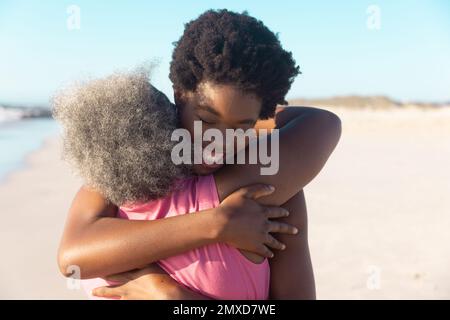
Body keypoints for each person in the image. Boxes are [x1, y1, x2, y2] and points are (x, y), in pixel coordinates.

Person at [57, 9, 341, 299]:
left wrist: (175, 298)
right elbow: (71, 258)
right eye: (207, 120)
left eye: (242, 126)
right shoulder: (123, 171)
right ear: (179, 95)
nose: (219, 141)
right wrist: (215, 224)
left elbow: (323, 124)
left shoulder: (267, 186)